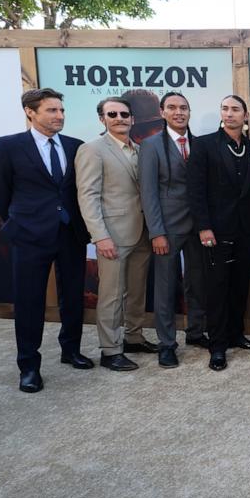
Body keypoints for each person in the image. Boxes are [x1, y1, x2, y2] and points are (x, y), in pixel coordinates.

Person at [0, 88, 92, 392]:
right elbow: (0, 195)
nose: (59, 116)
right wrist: (21, 223)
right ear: (30, 112)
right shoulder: (8, 147)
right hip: (30, 236)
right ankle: (29, 366)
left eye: (61, 110)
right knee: (29, 301)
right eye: (51, 110)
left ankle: (70, 350)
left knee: (73, 296)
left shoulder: (75, 147)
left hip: (70, 233)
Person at [76, 97, 153, 372]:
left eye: (124, 114)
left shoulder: (141, 149)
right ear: (102, 119)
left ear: (132, 118)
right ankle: (110, 349)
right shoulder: (92, 150)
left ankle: (133, 337)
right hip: (114, 235)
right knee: (111, 294)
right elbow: (88, 196)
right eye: (113, 114)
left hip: (143, 232)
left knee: (137, 289)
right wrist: (100, 236)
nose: (119, 118)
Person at [138, 91, 208, 368]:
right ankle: (167, 343)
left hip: (199, 225)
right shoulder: (151, 145)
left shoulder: (200, 145)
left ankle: (196, 331)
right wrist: (156, 232)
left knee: (198, 280)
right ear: (163, 112)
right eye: (172, 107)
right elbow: (148, 192)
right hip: (167, 225)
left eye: (184, 108)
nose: (179, 112)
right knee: (166, 286)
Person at [187, 95, 250, 371]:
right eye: (225, 109)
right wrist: (204, 227)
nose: (230, 114)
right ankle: (217, 346)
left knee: (240, 284)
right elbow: (196, 190)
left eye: (235, 110)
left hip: (245, 229)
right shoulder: (204, 145)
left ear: (245, 116)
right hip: (215, 230)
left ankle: (235, 334)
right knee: (216, 288)